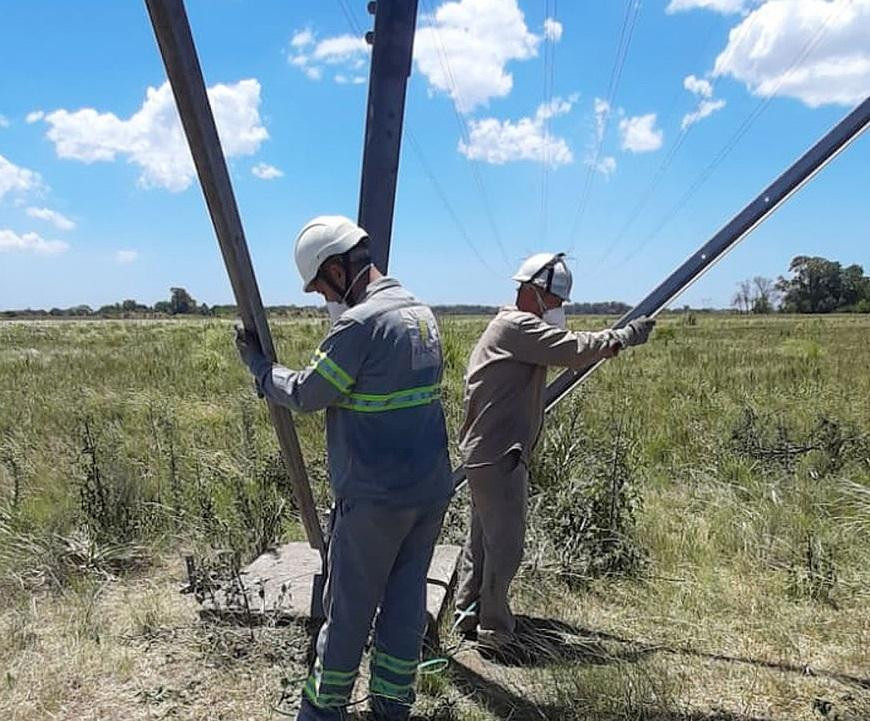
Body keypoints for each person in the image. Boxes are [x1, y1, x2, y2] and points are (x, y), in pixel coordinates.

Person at [235, 215, 453, 721]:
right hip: (429, 491)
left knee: (348, 615)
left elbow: (309, 392)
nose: (321, 297)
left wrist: (261, 370)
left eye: (319, 286)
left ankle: (321, 712)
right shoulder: (422, 314)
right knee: (404, 606)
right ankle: (391, 708)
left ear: (338, 267)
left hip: (375, 497)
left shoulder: (360, 324)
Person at [453, 252, 655, 654]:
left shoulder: (511, 326)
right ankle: (494, 633)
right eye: (556, 300)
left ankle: (468, 612)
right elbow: (573, 350)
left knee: (482, 541)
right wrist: (624, 337)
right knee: (506, 545)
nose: (559, 308)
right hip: (498, 454)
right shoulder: (518, 327)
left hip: (488, 452)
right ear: (533, 292)